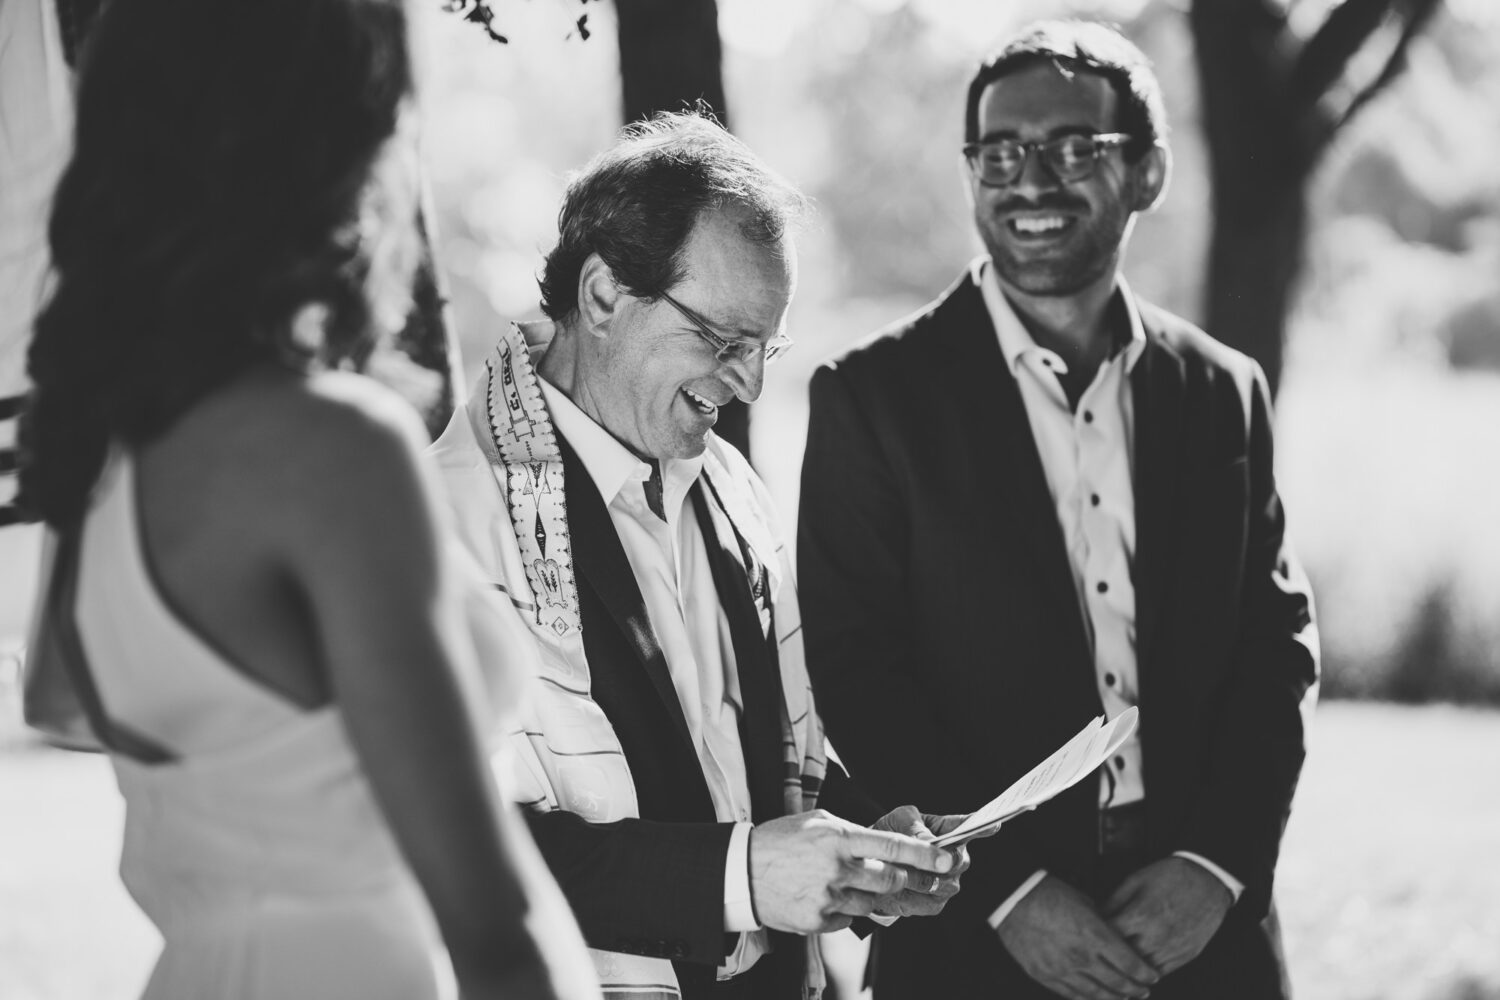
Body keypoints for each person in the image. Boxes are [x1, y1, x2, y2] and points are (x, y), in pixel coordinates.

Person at [19, 1, 598, 997]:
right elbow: (492, 931)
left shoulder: (100, 443)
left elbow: (61, 694)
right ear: (333, 152)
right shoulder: (333, 452)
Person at [798, 20, 1319, 1000]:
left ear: (1149, 171)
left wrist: (1215, 865)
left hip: (1202, 931)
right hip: (972, 937)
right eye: (999, 153)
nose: (1030, 180)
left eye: (1074, 148)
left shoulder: (1222, 391)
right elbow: (857, 671)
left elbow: (1274, 645)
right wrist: (1006, 887)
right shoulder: (870, 398)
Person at [430, 112, 969, 1000]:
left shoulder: (728, 484)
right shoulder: (450, 514)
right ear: (602, 295)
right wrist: (743, 878)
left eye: (765, 347)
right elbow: (461, 850)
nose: (750, 383)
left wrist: (867, 839)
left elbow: (747, 745)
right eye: (724, 341)